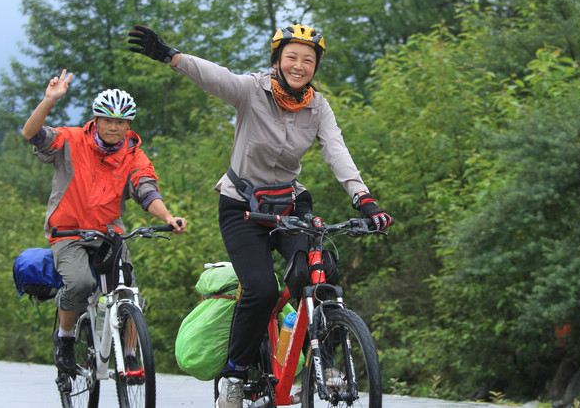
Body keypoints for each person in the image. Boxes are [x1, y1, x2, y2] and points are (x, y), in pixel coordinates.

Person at [127, 24, 393, 408]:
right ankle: (235, 375)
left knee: (320, 275)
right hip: (242, 206)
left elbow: (336, 151)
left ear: (316, 66)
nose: (299, 66)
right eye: (292, 57)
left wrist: (363, 197)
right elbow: (214, 78)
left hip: (289, 204)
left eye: (308, 59)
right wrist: (170, 56)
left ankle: (324, 365)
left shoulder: (318, 106)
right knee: (262, 289)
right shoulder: (252, 90)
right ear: (277, 60)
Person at [21, 70, 187, 374]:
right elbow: (31, 134)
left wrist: (168, 217)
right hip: (67, 233)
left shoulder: (133, 154)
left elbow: (147, 189)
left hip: (109, 234)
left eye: (121, 122)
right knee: (81, 283)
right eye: (108, 120)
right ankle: (66, 339)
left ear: (128, 125)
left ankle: (131, 353)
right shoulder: (70, 141)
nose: (114, 127)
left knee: (129, 291)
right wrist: (49, 100)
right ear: (96, 120)